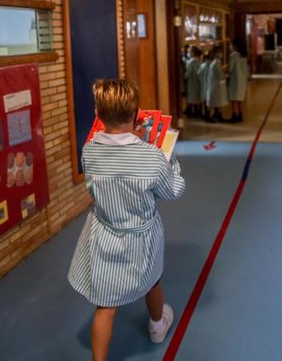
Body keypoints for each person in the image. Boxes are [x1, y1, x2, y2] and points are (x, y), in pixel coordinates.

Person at [68, 79, 186, 361]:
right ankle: (158, 326)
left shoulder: (90, 151)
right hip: (143, 236)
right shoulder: (153, 157)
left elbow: (95, 189)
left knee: (105, 305)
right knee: (152, 280)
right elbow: (172, 191)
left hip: (105, 233)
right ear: (136, 115)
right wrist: (171, 164)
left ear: (98, 114)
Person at [228, 38, 249, 123]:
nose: (230, 46)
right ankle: (240, 114)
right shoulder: (243, 55)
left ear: (234, 46)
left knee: (233, 98)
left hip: (235, 80)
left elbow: (230, 68)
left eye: (231, 45)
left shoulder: (233, 55)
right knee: (239, 98)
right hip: (242, 79)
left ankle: (234, 114)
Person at [206, 44, 229, 122]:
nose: (221, 54)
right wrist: (225, 73)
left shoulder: (217, 62)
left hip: (216, 85)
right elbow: (220, 75)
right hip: (215, 85)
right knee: (214, 101)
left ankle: (217, 114)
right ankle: (210, 116)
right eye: (219, 52)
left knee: (217, 101)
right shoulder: (216, 63)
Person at [184, 45, 202, 118]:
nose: (188, 53)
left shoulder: (191, 62)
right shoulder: (199, 60)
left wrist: (184, 76)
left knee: (191, 97)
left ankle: (191, 112)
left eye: (189, 52)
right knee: (197, 96)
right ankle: (198, 111)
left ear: (193, 52)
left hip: (191, 82)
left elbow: (189, 72)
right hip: (198, 81)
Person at [197, 50, 212, 122]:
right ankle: (207, 115)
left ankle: (204, 114)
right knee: (207, 101)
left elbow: (199, 75)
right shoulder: (210, 66)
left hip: (203, 85)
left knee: (204, 101)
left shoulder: (202, 66)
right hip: (207, 86)